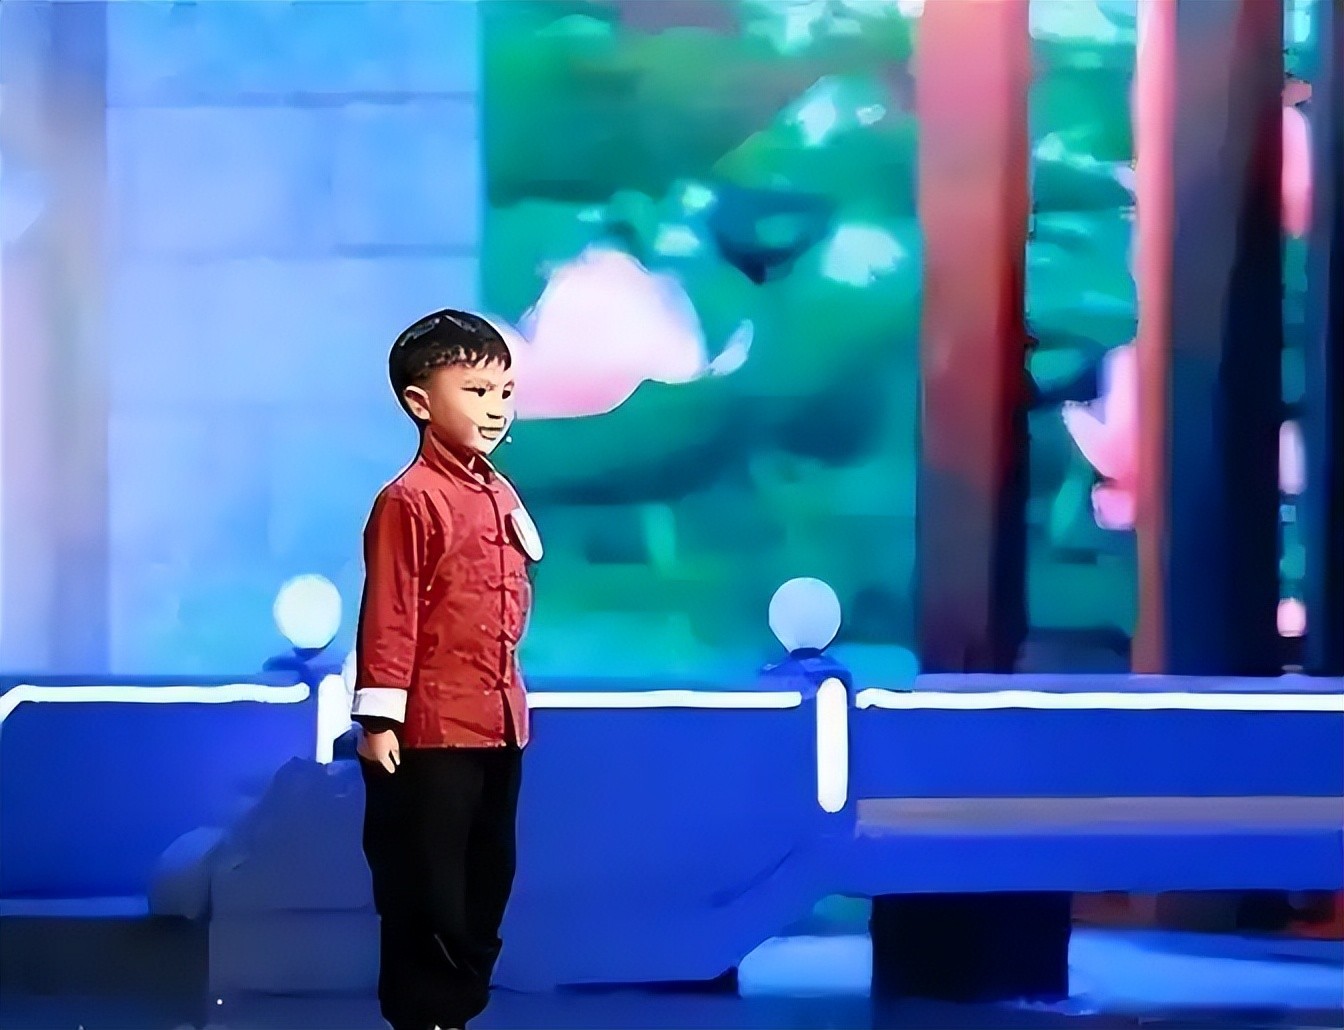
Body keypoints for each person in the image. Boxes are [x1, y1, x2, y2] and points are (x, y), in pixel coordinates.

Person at [352, 309, 542, 1030]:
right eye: (476, 390)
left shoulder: (499, 492)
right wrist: (380, 720)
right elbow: (391, 611)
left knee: (489, 876)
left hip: (499, 723)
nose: (495, 408)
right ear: (420, 401)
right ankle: (425, 1013)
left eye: (504, 392)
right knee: (426, 886)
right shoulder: (409, 500)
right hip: (431, 731)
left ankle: (458, 1007)